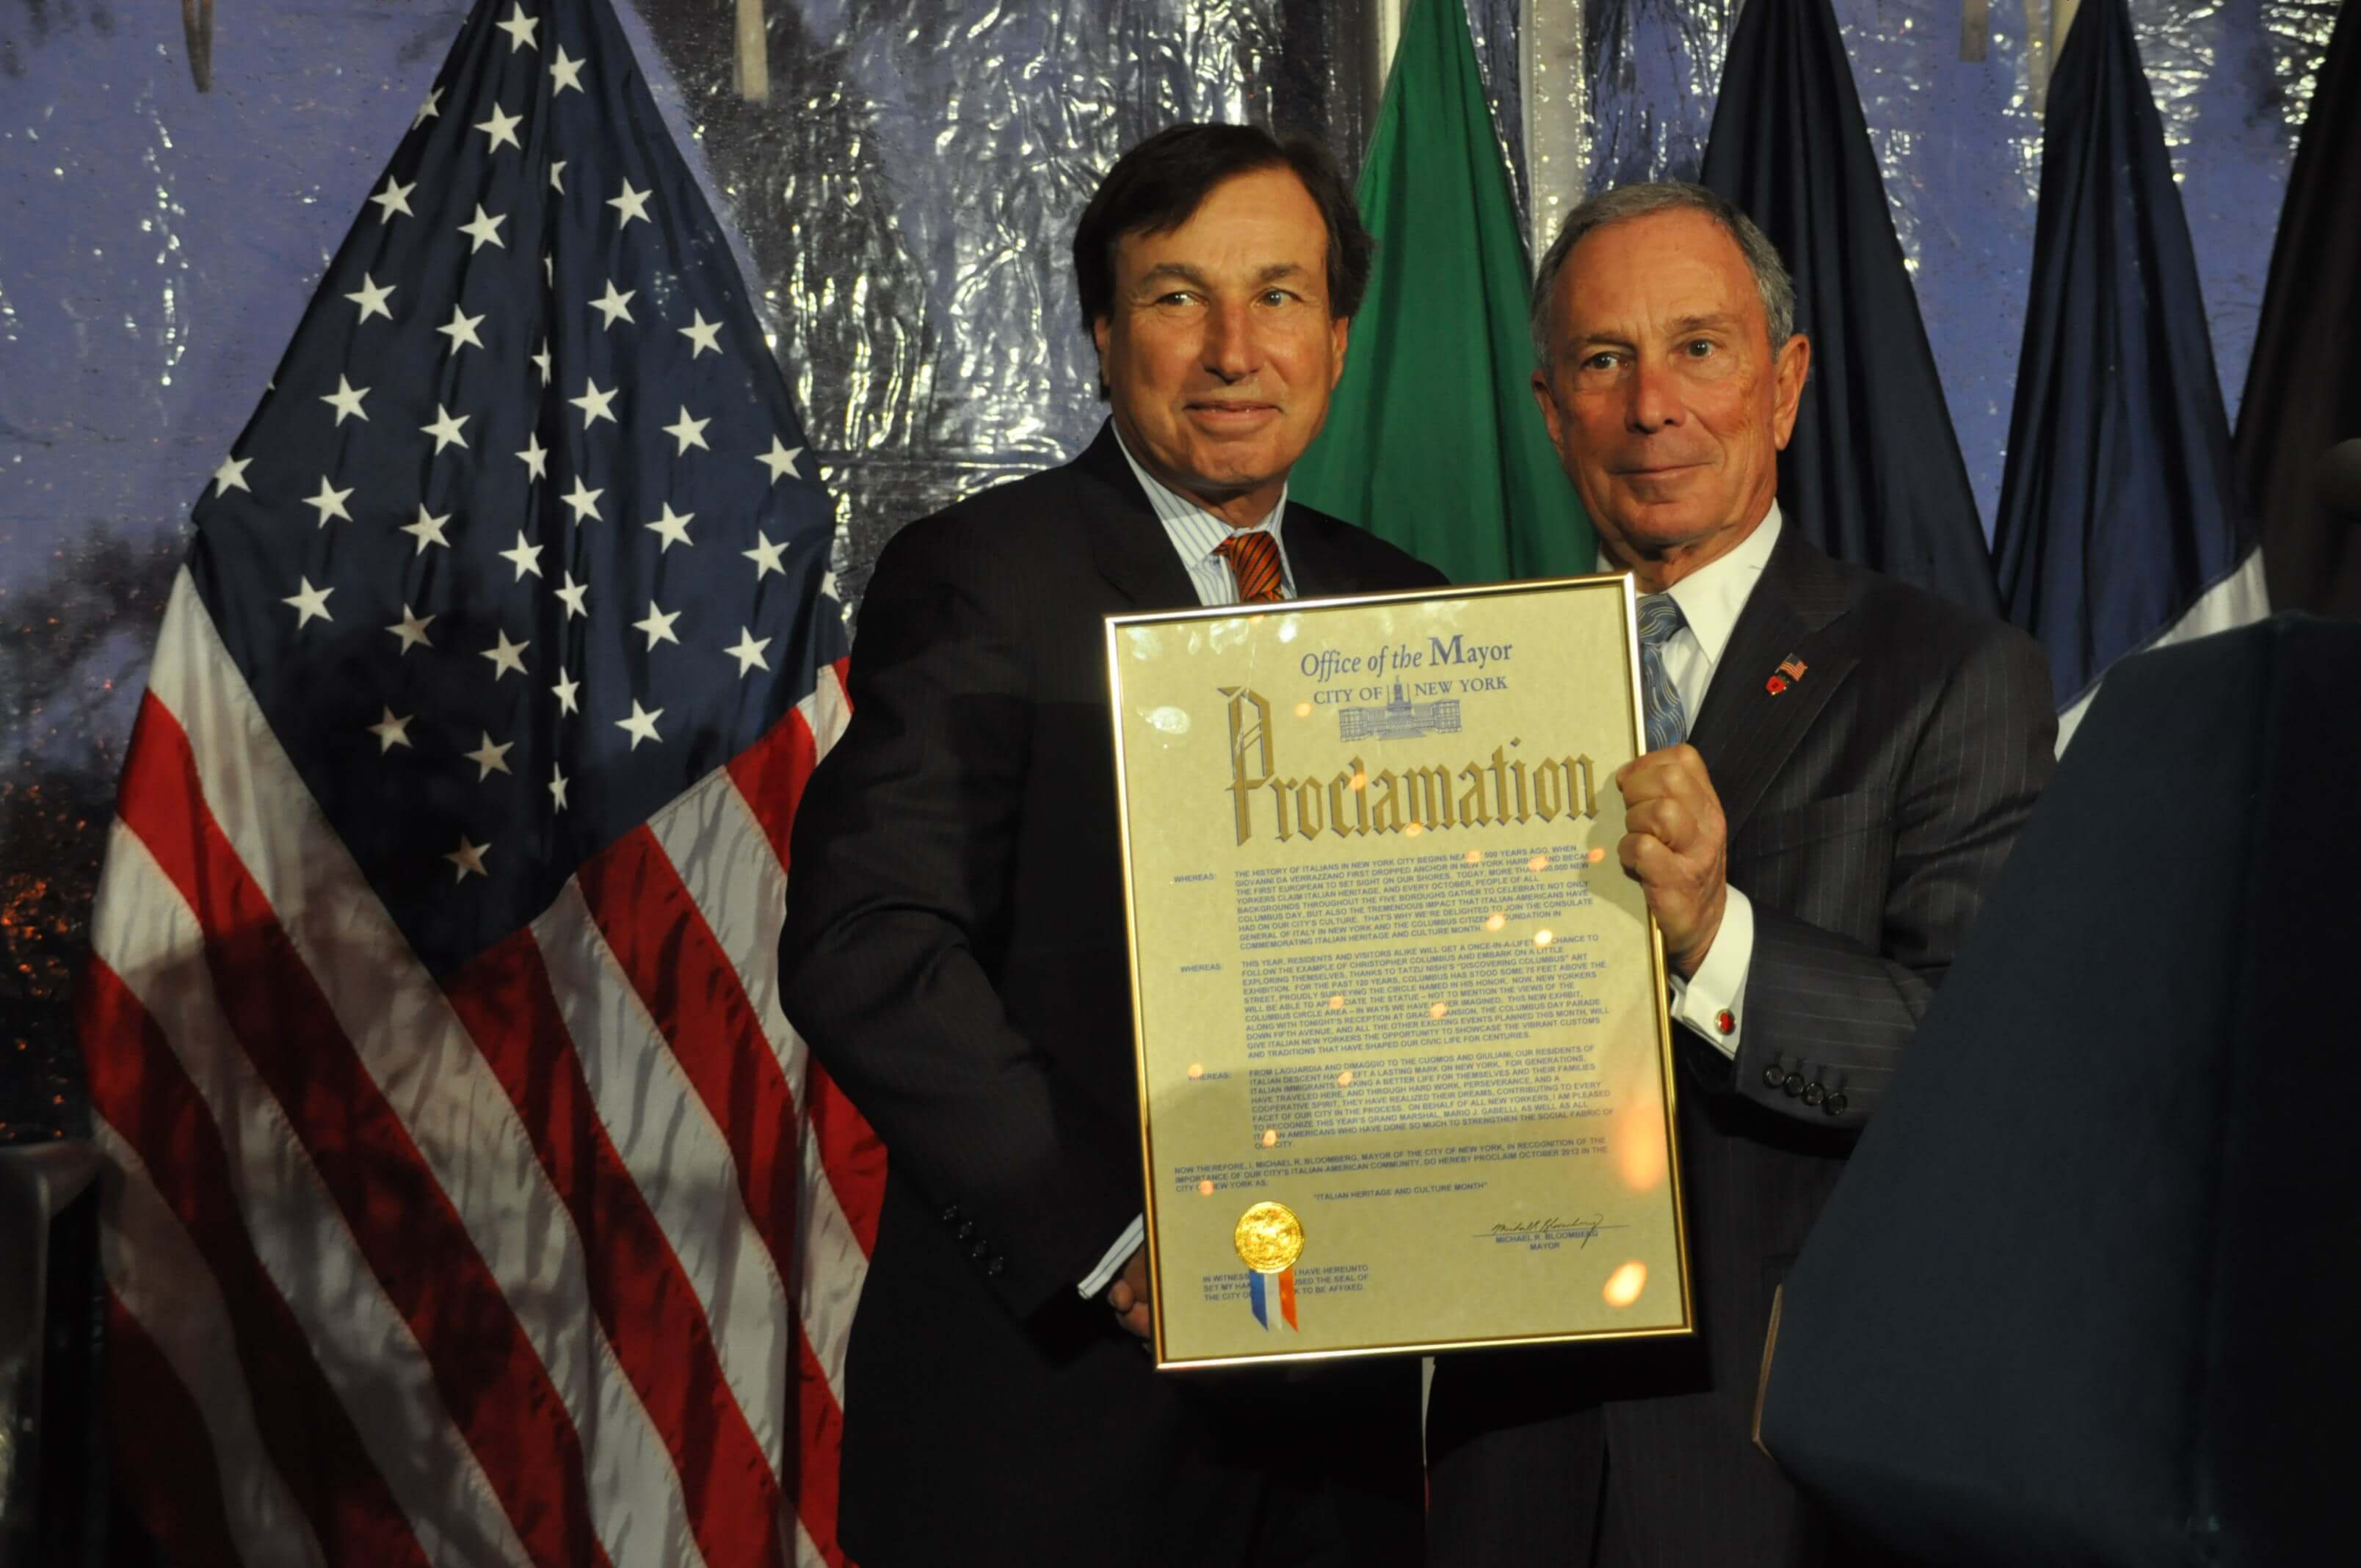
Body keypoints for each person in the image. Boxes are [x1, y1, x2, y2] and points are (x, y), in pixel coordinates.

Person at [780, 123, 1443, 1567]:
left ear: (1336, 337)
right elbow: (864, 944)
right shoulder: (985, 578)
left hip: (1351, 1441)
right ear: (1100, 334)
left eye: (1278, 297)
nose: (1231, 349)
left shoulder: (1412, 609)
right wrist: (1119, 1239)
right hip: (1060, 1428)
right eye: (1174, 297)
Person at [1423, 183, 2056, 1566]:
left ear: (1785, 385)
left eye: (1699, 348)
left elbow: (1983, 1067)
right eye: (1605, 361)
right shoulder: (1446, 692)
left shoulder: (1947, 676)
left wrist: (1716, 940)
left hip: (1785, 1477)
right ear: (1549, 409)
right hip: (1500, 1464)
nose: (1654, 405)